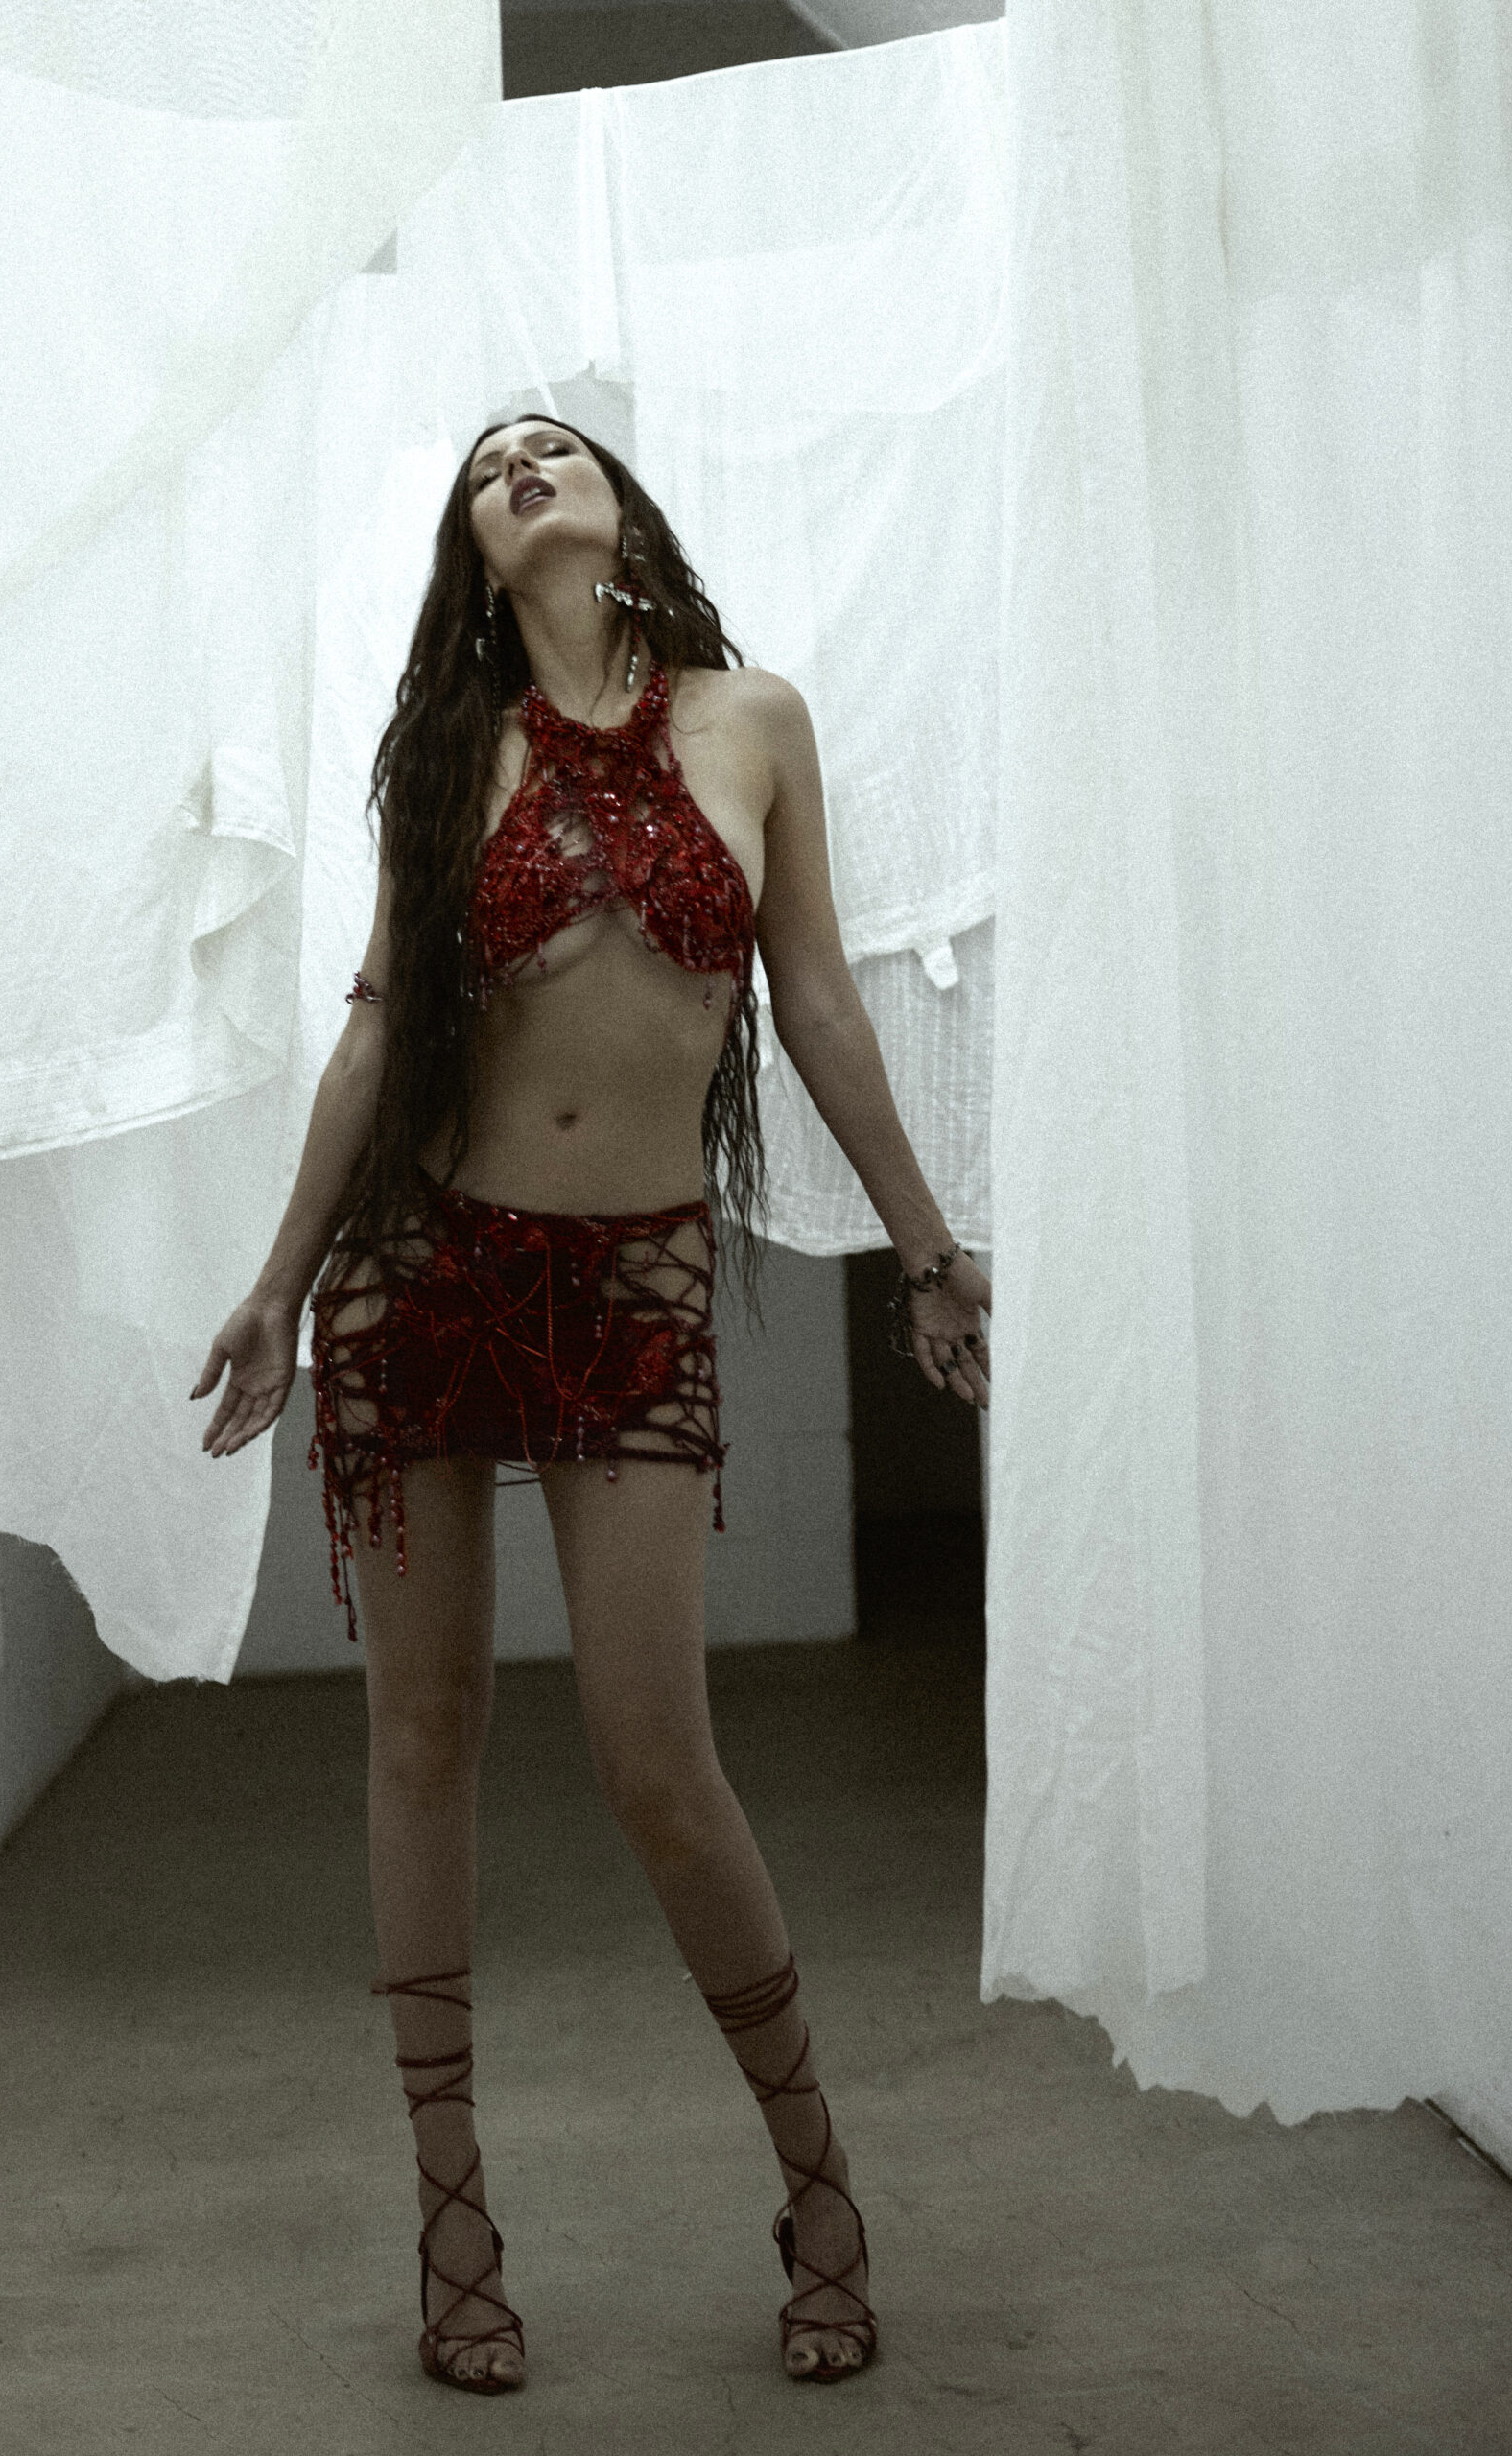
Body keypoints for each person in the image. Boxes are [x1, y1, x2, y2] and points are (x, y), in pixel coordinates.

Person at [191, 415, 992, 2394]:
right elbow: (381, 1020)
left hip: (633, 1283)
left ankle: (820, 2190)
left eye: (558, 445)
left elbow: (815, 1001)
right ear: (474, 550)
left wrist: (924, 1243)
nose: (527, 465)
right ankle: (453, 2228)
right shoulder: (446, 753)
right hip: (421, 1266)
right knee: (425, 1734)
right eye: (491, 465)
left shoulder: (753, 722)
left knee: (659, 1758)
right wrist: (281, 1282)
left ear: (624, 503)